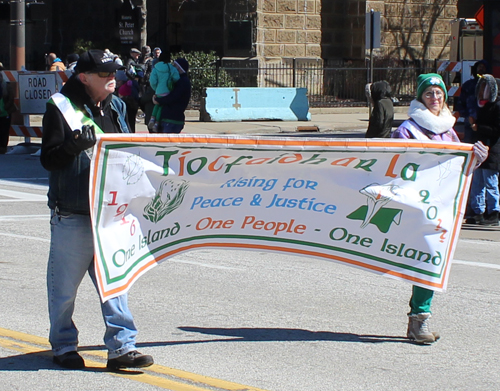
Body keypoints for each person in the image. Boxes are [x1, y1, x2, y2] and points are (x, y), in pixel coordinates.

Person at [40, 49, 154, 370]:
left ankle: (122, 348)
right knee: (64, 288)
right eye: (105, 75)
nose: (112, 79)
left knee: (115, 283)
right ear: (84, 78)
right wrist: (71, 146)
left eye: (114, 73)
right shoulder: (61, 108)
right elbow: (48, 159)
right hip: (74, 211)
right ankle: (63, 345)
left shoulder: (118, 106)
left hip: (112, 210)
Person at [392, 73, 488, 344]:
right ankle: (419, 320)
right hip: (416, 206)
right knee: (426, 259)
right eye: (429, 94)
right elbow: (396, 165)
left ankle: (418, 321)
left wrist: (476, 160)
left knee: (432, 262)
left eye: (439, 93)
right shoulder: (408, 129)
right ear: (420, 98)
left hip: (442, 207)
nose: (435, 98)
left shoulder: (448, 129)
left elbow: (456, 169)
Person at [466, 74, 500, 226]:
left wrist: (478, 126)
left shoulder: (497, 107)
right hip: (480, 147)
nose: (483, 91)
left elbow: (496, 130)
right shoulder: (482, 105)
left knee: (490, 182)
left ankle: (494, 212)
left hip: (492, 150)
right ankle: (477, 211)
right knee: (477, 181)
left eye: (486, 88)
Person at [153, 57, 191, 134]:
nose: (172, 68)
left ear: (179, 68)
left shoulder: (182, 81)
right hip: (171, 118)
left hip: (172, 119)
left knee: (167, 144)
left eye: (174, 66)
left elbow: (173, 97)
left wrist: (158, 100)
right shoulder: (178, 80)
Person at [147, 51, 180, 132]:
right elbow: (176, 78)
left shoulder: (156, 67)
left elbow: (152, 81)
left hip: (158, 90)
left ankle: (152, 119)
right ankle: (157, 123)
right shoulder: (170, 67)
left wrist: (156, 88)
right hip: (167, 91)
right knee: (161, 107)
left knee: (156, 105)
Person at [457, 60, 488, 143]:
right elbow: (461, 101)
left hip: (485, 122)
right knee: (469, 144)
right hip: (469, 120)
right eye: (479, 67)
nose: (481, 69)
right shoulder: (468, 85)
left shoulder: (489, 85)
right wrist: (466, 115)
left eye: (483, 67)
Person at [0, 62, 16, 154]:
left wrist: (5, 108)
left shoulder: (7, 86)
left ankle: (3, 147)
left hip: (5, 112)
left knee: (4, 130)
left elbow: (11, 99)